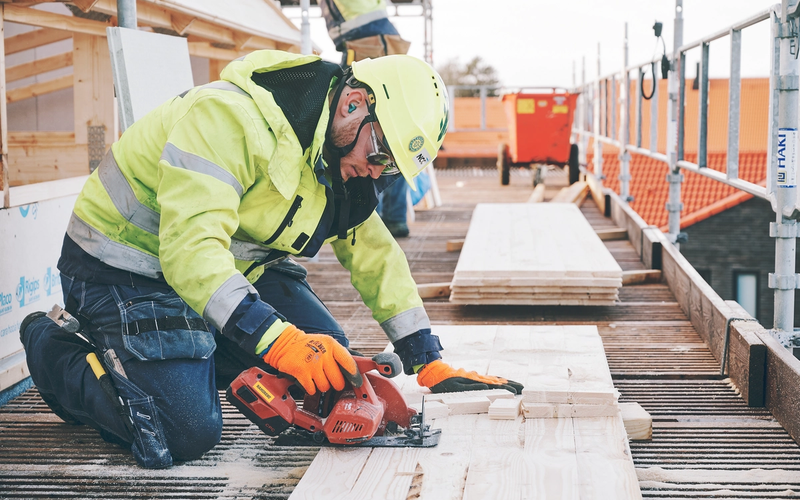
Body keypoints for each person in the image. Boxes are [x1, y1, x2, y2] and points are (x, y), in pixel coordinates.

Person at [19, 50, 522, 469]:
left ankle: (184, 351)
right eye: (379, 153)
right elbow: (189, 252)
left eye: (389, 168)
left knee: (330, 359)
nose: (376, 172)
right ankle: (54, 347)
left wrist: (426, 358)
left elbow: (373, 252)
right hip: (122, 268)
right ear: (353, 102)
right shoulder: (229, 118)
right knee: (184, 428)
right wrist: (279, 342)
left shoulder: (340, 155)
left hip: (220, 273)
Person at [320, 0, 413, 237]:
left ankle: (375, 221)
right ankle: (392, 218)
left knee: (375, 142)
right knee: (387, 139)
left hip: (369, 40)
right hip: (373, 37)